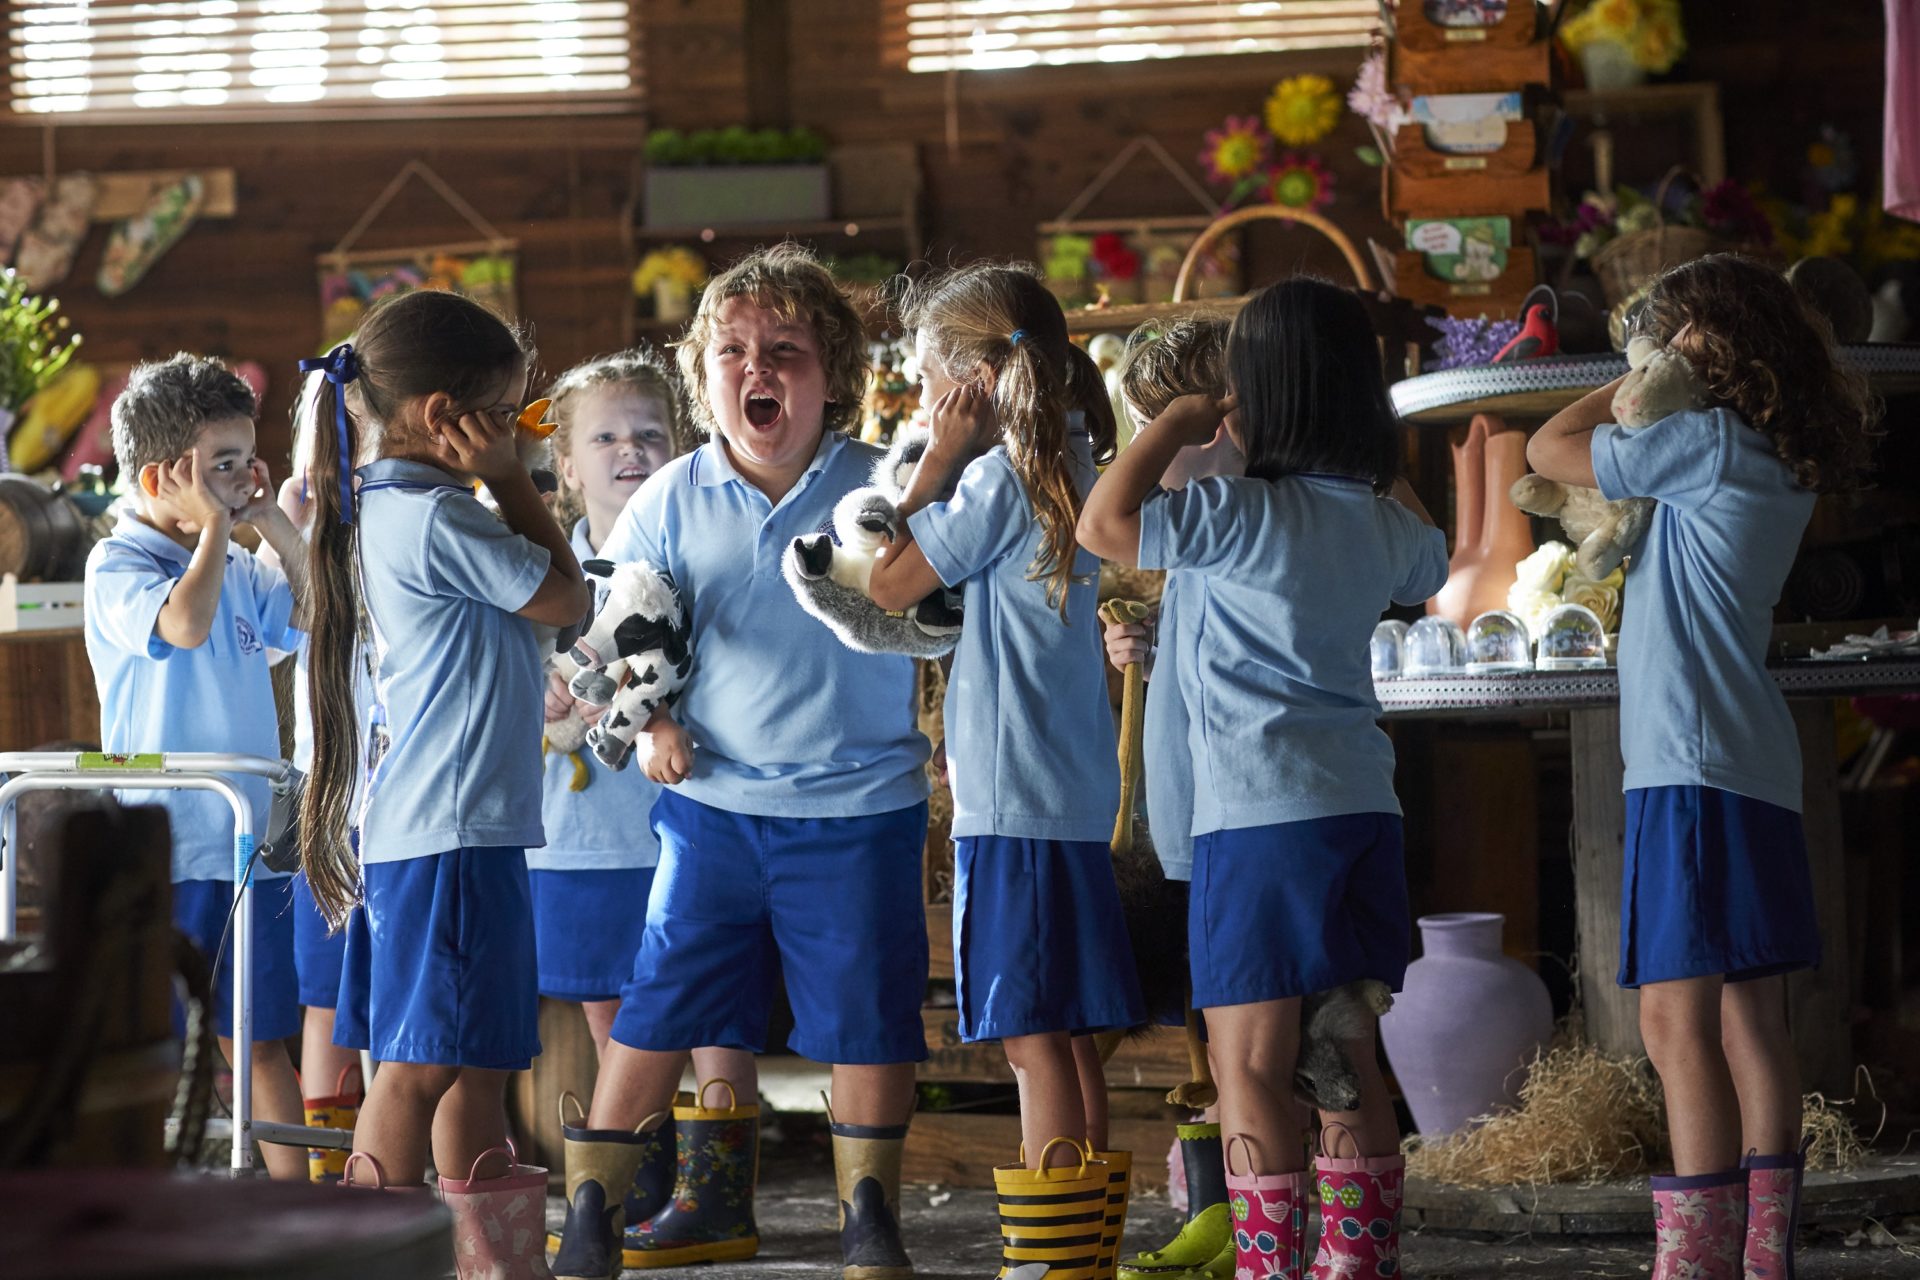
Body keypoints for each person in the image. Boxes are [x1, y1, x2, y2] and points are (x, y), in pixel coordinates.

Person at [553, 245, 930, 1280]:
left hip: (860, 804)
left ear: (833, 375)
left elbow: (943, 609)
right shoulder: (669, 496)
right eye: (732, 351)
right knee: (658, 1003)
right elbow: (625, 630)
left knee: (867, 1018)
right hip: (713, 804)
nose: (756, 369)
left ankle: (869, 1219)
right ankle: (592, 1209)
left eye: (786, 352)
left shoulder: (882, 487)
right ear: (701, 373)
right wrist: (644, 716)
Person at [1079, 278, 1447, 1280]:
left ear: (1256, 393)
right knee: (1345, 1049)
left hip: (1257, 820)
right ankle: (1356, 1265)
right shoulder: (1375, 521)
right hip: (1361, 812)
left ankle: (1271, 1268)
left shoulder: (1239, 511)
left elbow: (1102, 524)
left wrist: (1171, 421)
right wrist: (1378, 456)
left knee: (1247, 1059)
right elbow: (1432, 565)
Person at [1526, 254, 1879, 1280]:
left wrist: (1628, 374)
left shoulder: (1704, 443)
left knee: (1672, 1016)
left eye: (1676, 331)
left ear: (1709, 345)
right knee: (1751, 1017)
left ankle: (1694, 1261)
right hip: (1748, 758)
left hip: (1686, 761)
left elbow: (1551, 444)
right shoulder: (1762, 452)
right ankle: (1761, 1259)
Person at [297, 289, 589, 1280]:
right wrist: (513, 480)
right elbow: (570, 597)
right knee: (423, 1066)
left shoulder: (391, 507)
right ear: (441, 416)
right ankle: (372, 1258)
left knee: (470, 1066)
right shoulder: (434, 518)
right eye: (504, 413)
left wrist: (499, 474)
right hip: (454, 833)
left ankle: (495, 1265)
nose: (512, 432)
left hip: (436, 830)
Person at [864, 263, 1144, 1275]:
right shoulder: (1070, 457)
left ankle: (1050, 1259)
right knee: (1066, 1032)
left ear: (970, 382)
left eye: (929, 375)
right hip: (1065, 790)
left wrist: (934, 454)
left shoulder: (992, 479)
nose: (923, 392)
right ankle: (1087, 1251)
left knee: (1030, 1035)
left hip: (1012, 796)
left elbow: (891, 580)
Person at [82, 353, 310, 1180]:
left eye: (247, 458)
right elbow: (181, 625)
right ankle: (150, 1203)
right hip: (170, 848)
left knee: (260, 1039)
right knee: (158, 1042)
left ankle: (299, 1216)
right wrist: (217, 527)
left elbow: (314, 611)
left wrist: (274, 523)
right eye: (221, 465)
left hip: (248, 847)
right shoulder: (118, 567)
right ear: (159, 476)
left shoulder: (244, 566)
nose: (241, 477)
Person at [1100, 317, 1238, 1280]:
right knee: (1207, 1018)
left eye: (1169, 426)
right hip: (1186, 815)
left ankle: (1247, 1212)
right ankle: (1217, 1206)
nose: (1152, 448)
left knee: (1246, 1025)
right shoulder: (1189, 538)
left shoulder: (1242, 514)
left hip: (1241, 817)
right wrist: (1145, 642)